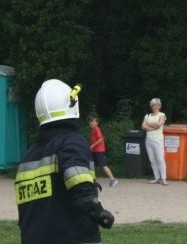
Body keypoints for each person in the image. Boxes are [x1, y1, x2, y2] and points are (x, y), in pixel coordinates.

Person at [15, 80, 114, 244]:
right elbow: (81, 189)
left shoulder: (29, 155)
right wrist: (100, 214)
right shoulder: (72, 142)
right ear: (72, 105)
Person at [141, 97, 168, 185]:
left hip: (158, 139)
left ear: (159, 106)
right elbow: (143, 127)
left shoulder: (162, 115)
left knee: (160, 159)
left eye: (156, 105)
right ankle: (157, 178)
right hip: (149, 140)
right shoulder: (147, 116)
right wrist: (153, 126)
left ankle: (163, 178)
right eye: (153, 105)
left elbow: (159, 125)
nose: (155, 107)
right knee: (152, 160)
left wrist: (148, 124)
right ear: (151, 106)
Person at [88, 114, 118, 188]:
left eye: (93, 121)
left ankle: (112, 179)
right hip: (95, 151)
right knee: (91, 164)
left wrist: (92, 146)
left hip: (99, 151)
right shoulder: (93, 130)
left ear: (97, 123)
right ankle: (91, 179)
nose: (91, 123)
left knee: (103, 165)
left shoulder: (97, 129)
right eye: (90, 122)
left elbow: (100, 139)